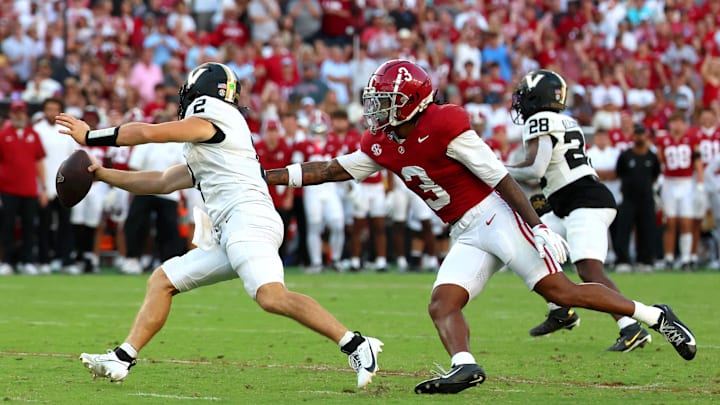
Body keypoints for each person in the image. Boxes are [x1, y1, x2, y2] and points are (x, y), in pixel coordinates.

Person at [264, 60, 697, 394]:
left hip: (497, 216)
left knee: (559, 292)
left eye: (385, 100)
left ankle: (656, 316)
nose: (376, 108)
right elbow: (331, 169)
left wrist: (538, 227)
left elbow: (500, 177)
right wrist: (269, 174)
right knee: (442, 304)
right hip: (466, 228)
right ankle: (465, 365)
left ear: (411, 101)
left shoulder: (445, 124)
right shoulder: (385, 142)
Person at [56, 62, 382, 388]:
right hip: (232, 228)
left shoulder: (213, 116)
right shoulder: (212, 146)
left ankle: (356, 344)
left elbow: (148, 133)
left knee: (270, 296)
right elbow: (160, 180)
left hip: (248, 219)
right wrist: (101, 175)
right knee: (163, 280)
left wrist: (91, 136)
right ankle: (123, 356)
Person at [506, 69, 653, 353]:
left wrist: (495, 168)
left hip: (585, 201)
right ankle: (561, 310)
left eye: (525, 95)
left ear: (539, 97)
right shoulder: (565, 120)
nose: (520, 102)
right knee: (528, 248)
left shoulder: (540, 119)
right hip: (568, 203)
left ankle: (631, 327)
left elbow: (535, 169)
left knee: (588, 270)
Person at [0, 99, 47, 275]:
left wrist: (44, 188)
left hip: (29, 189)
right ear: (11, 114)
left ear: (25, 114)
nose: (18, 115)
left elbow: (39, 162)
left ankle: (27, 260)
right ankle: (7, 261)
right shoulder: (3, 135)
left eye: (21, 112)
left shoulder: (33, 135)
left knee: (29, 227)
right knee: (7, 227)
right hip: (7, 189)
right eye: (15, 112)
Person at [614, 124, 661, 273]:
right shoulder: (626, 155)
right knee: (624, 230)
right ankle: (622, 261)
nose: (639, 137)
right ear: (633, 136)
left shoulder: (651, 157)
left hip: (646, 199)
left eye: (642, 134)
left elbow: (655, 174)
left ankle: (645, 261)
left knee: (647, 230)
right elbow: (619, 172)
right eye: (637, 134)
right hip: (628, 198)